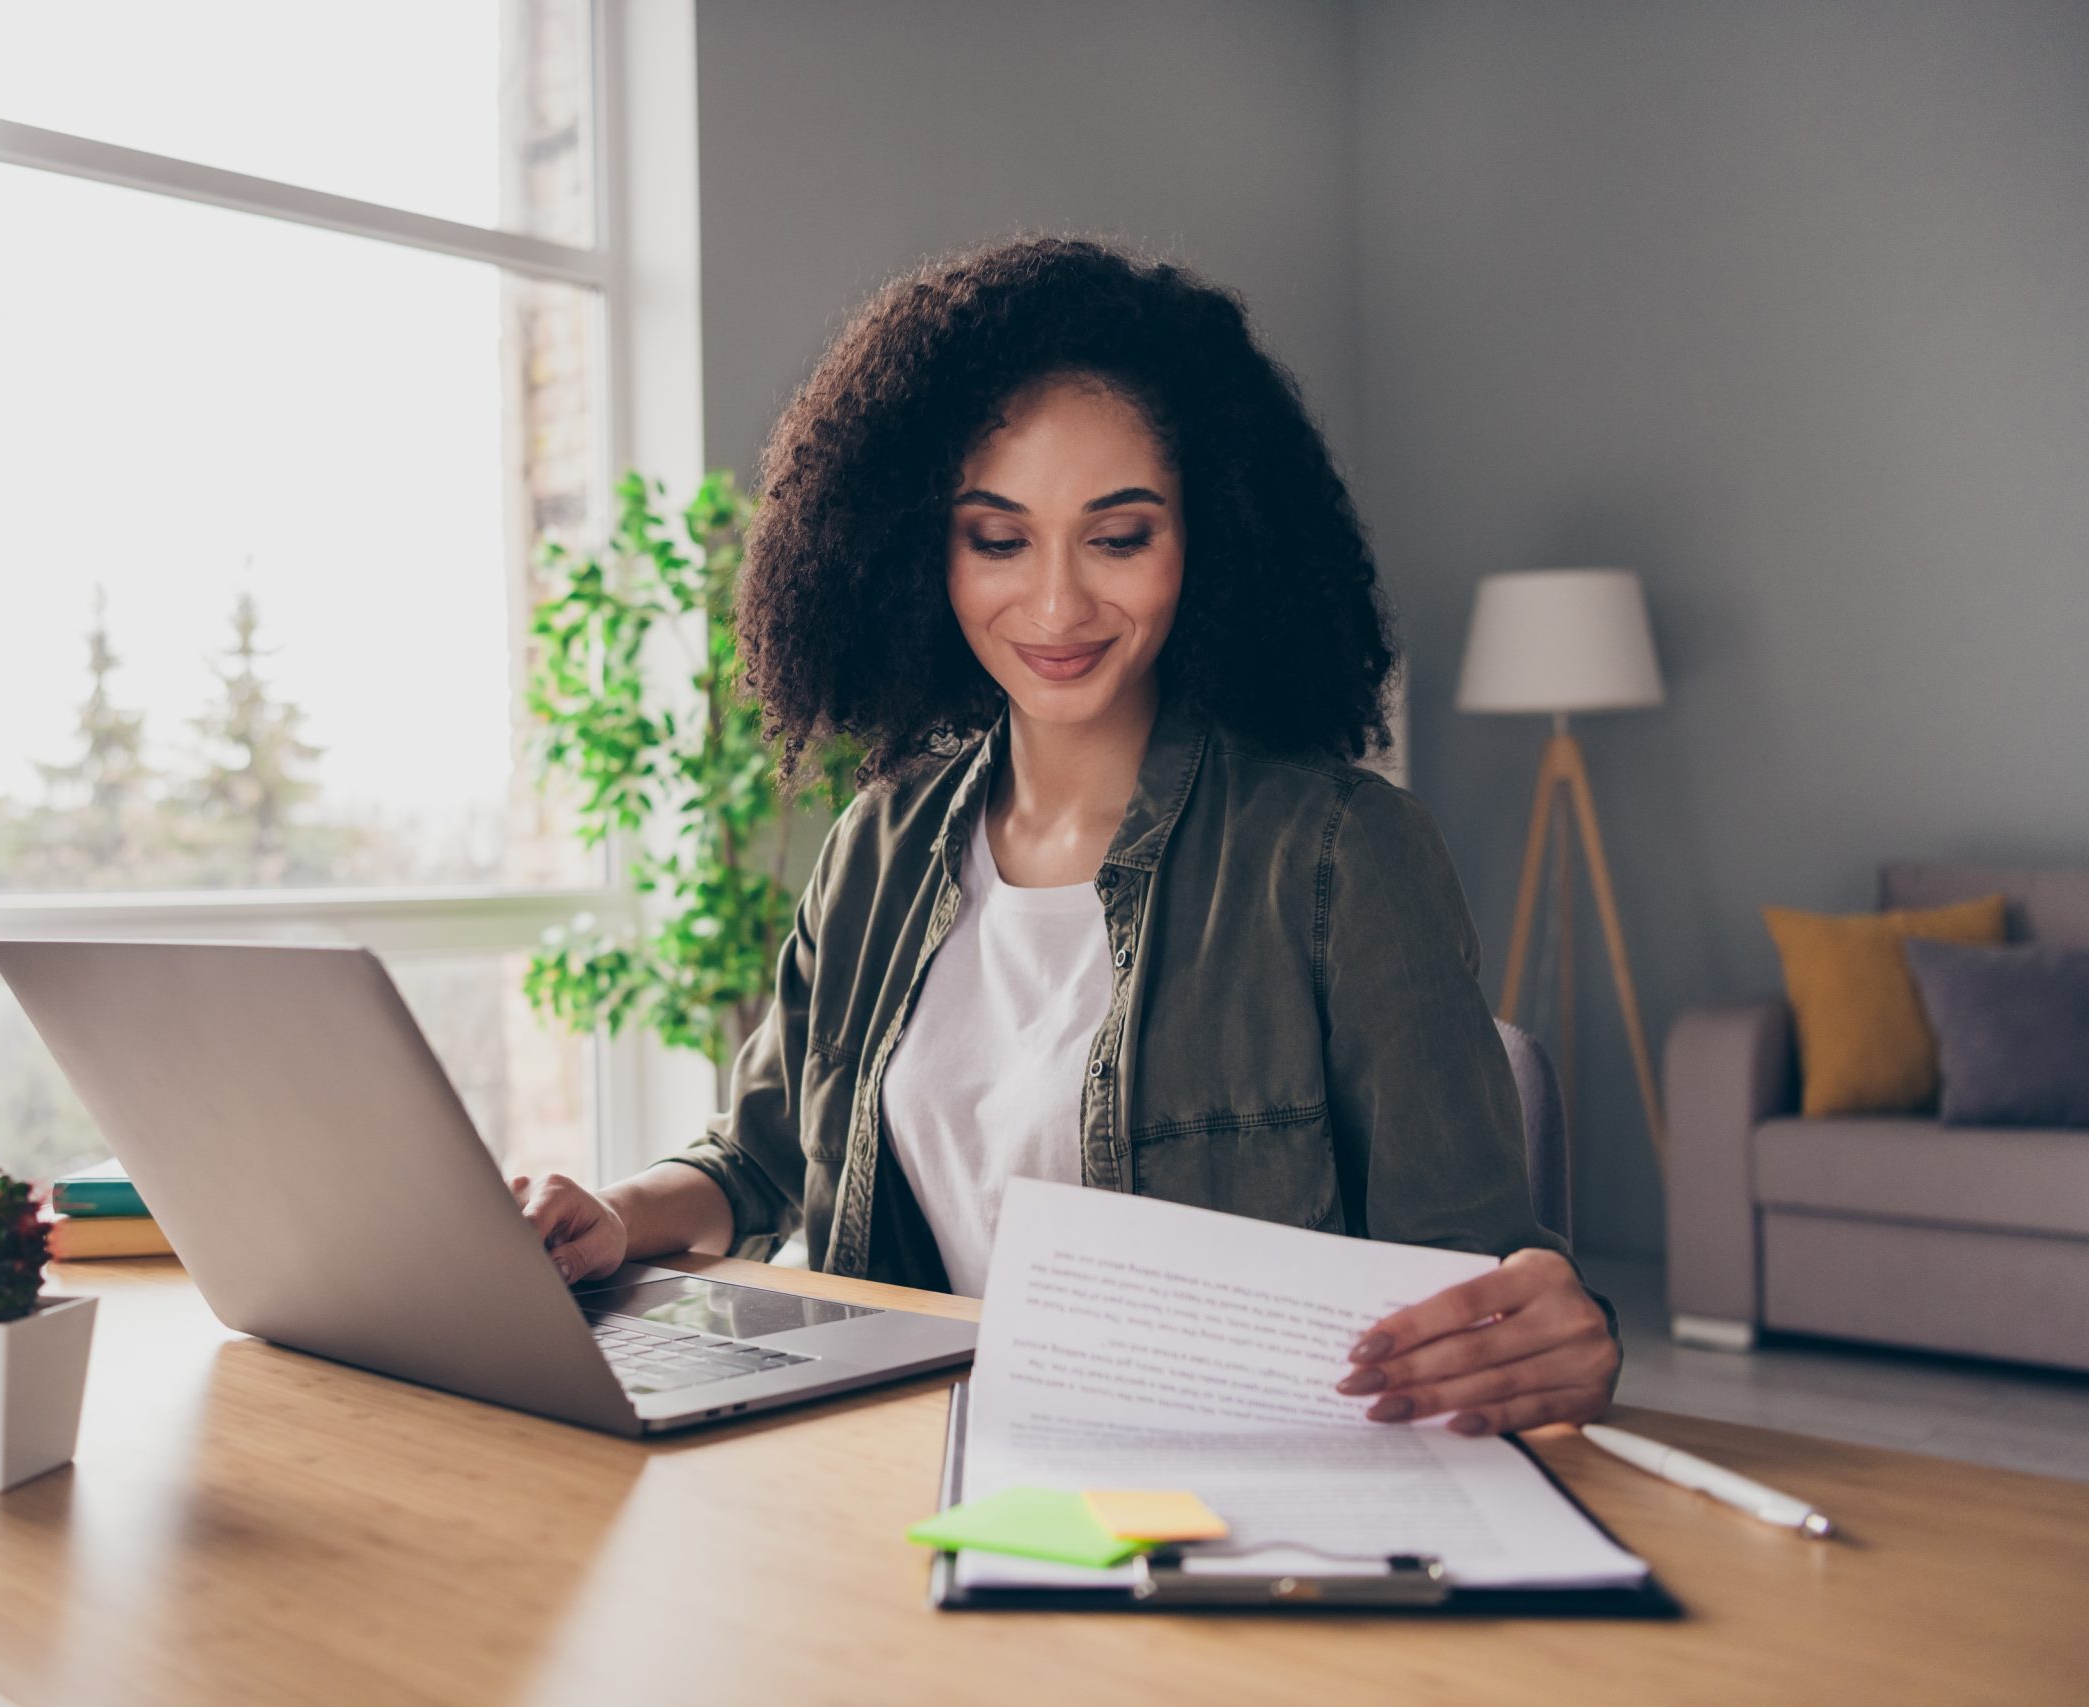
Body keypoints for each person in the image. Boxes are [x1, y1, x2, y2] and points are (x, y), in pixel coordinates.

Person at [511, 235, 1619, 1437]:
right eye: (998, 539)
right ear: (917, 552)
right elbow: (765, 1161)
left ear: (1209, 541)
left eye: (1119, 536)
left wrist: (1556, 1333)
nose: (1053, 607)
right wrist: (615, 1216)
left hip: (1214, 1498)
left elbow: (1478, 1289)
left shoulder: (1342, 856)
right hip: (901, 1474)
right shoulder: (876, 849)